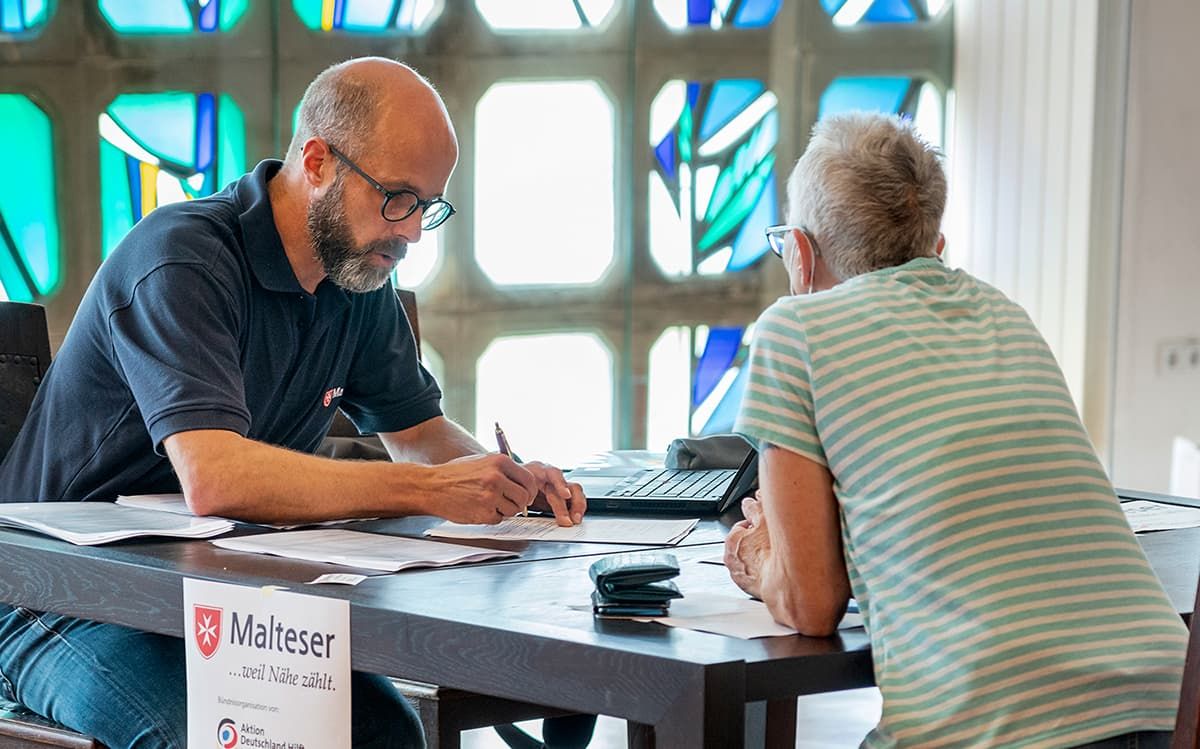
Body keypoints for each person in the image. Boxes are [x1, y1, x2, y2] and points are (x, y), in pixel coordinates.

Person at [0, 57, 586, 749]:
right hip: (65, 601)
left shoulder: (357, 277)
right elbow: (216, 478)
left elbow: (418, 428)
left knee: (385, 735)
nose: (413, 232)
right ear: (317, 162)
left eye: (427, 206)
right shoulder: (183, 260)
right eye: (397, 198)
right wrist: (433, 488)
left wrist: (502, 476)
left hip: (228, 597)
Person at [724, 112, 1187, 749]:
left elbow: (811, 604)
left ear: (799, 255)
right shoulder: (1005, 312)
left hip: (994, 729)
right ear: (936, 249)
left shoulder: (796, 331)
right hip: (1166, 706)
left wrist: (760, 554)